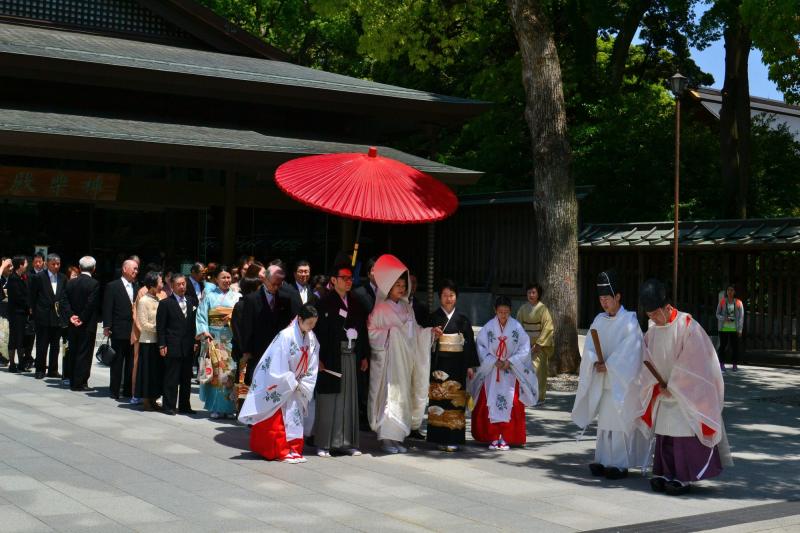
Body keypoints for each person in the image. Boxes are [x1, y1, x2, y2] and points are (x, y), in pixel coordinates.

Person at [636, 278, 732, 496]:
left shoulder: (688, 326)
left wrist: (675, 385)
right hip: (662, 391)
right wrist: (655, 384)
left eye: (655, 314)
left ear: (667, 307)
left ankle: (683, 476)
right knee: (665, 435)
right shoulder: (653, 331)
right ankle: (663, 472)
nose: (652, 319)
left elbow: (695, 363)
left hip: (685, 395)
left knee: (682, 436)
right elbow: (646, 359)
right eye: (649, 315)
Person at [571, 270, 650, 479]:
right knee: (605, 423)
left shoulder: (629, 321)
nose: (604, 302)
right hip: (604, 381)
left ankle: (620, 464)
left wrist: (611, 365)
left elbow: (632, 351)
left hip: (621, 383)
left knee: (619, 423)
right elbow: (589, 346)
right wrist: (594, 360)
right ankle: (603, 459)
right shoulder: (599, 320)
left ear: (618, 297)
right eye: (601, 299)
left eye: (607, 298)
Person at [367, 254, 442, 454]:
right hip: (389, 364)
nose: (401, 288)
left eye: (403, 285)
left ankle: (397, 438)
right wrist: (391, 334)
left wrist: (429, 333)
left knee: (402, 398)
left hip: (405, 361)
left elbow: (415, 331)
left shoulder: (407, 307)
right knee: (389, 399)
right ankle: (386, 439)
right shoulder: (381, 309)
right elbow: (372, 332)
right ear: (389, 286)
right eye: (397, 285)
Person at [239, 304, 320, 464]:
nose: (312, 326)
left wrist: (304, 381)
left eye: (314, 323)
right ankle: (280, 450)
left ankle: (294, 448)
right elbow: (276, 362)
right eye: (309, 323)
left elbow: (313, 361)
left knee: (295, 418)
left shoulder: (311, 338)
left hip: (299, 383)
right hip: (284, 382)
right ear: (300, 319)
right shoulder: (285, 335)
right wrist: (289, 380)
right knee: (279, 419)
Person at [313, 264, 369, 457]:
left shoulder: (356, 302)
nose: (348, 281)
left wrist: (364, 355)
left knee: (349, 400)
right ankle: (324, 443)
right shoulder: (323, 303)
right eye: (344, 277)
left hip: (351, 355)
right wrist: (318, 358)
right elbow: (316, 333)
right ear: (333, 280)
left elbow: (363, 331)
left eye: (350, 278)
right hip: (330, 357)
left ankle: (347, 442)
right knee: (329, 400)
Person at [470, 296, 537, 450]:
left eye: (506, 312)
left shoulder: (516, 328)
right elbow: (480, 346)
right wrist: (493, 360)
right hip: (492, 371)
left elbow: (525, 348)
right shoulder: (488, 328)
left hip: (510, 371)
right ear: (495, 310)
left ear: (510, 311)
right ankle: (493, 436)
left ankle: (506, 436)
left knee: (511, 402)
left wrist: (510, 361)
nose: (503, 315)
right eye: (500, 312)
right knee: (490, 401)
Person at [425, 279, 478, 452]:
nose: (448, 299)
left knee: (456, 400)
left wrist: (470, 366)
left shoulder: (462, 320)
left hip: (458, 364)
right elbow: (422, 339)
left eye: (451, 295)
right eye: (445, 295)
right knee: (439, 399)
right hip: (439, 363)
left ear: (456, 297)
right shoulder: (433, 317)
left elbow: (469, 344)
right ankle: (438, 437)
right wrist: (432, 335)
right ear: (439, 297)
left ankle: (454, 437)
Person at [196, 266, 241, 418]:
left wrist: (233, 317)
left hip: (231, 338)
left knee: (230, 372)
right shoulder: (209, 296)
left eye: (228, 277)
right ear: (216, 279)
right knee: (216, 372)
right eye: (223, 277)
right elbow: (201, 316)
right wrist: (204, 331)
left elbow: (242, 315)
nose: (227, 280)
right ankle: (216, 407)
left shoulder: (237, 296)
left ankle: (230, 407)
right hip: (214, 337)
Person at [239, 265, 293, 386]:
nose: (276, 287)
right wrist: (246, 351)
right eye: (273, 284)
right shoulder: (252, 299)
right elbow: (247, 327)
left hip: (279, 351)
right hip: (258, 351)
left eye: (279, 284)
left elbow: (287, 325)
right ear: (265, 279)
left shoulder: (285, 298)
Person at [157, 274, 197, 415]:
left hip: (188, 345)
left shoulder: (191, 301)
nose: (182, 287)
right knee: (172, 377)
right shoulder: (165, 303)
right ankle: (169, 405)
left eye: (183, 284)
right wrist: (162, 344)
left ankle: (185, 405)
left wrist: (195, 341)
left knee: (186, 377)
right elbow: (161, 327)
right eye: (178, 284)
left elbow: (194, 325)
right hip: (172, 344)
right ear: (172, 286)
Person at [29, 253, 69, 379]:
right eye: (53, 264)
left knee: (55, 345)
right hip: (43, 315)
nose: (56, 266)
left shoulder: (63, 278)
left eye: (58, 264)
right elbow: (32, 296)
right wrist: (35, 313)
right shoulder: (39, 277)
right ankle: (40, 369)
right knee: (42, 344)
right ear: (47, 264)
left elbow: (65, 296)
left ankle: (53, 370)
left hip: (57, 316)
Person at [103, 259, 139, 400]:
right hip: (118, 329)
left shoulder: (136, 286)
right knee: (117, 361)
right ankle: (114, 390)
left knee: (131, 362)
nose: (136, 271)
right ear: (124, 269)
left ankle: (128, 390)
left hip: (133, 330)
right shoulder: (113, 286)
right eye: (134, 268)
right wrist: (107, 326)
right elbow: (108, 307)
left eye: (137, 269)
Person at [65, 256, 100, 391]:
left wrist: (71, 316)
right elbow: (91, 304)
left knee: (73, 350)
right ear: (94, 268)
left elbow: (64, 301)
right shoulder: (94, 284)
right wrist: (82, 318)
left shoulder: (71, 283)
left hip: (73, 323)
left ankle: (72, 379)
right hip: (87, 324)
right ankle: (80, 382)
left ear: (79, 268)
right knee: (85, 353)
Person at [516, 283, 553, 405]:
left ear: (538, 294)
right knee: (525, 372)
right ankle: (526, 396)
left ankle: (539, 397)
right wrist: (522, 344)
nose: (531, 295)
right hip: (525, 347)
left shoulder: (543, 309)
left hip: (539, 347)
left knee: (539, 373)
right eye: (529, 293)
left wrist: (539, 344)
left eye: (533, 292)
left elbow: (548, 328)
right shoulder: (522, 309)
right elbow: (518, 327)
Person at [135, 272, 164, 411]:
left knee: (155, 372)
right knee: (147, 372)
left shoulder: (158, 299)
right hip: (147, 341)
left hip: (157, 341)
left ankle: (153, 398)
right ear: (152, 285)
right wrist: (160, 328)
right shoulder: (143, 301)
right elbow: (143, 323)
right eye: (160, 282)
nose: (162, 285)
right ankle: (146, 400)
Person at [5, 256, 30, 373]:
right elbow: (18, 297)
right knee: (14, 338)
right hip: (16, 313)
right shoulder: (13, 278)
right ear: (20, 265)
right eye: (25, 263)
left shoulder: (22, 277)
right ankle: (12, 364)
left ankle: (21, 363)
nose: (27, 265)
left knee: (22, 338)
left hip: (23, 312)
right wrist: (29, 306)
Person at [716, 284, 744, 371]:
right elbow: (717, 314)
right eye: (728, 290)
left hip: (734, 329)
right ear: (726, 292)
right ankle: (721, 364)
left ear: (734, 292)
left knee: (735, 347)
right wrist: (723, 318)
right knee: (722, 346)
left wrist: (740, 329)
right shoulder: (722, 301)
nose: (730, 292)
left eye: (732, 290)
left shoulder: (739, 302)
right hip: (723, 328)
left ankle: (734, 364)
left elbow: (741, 317)